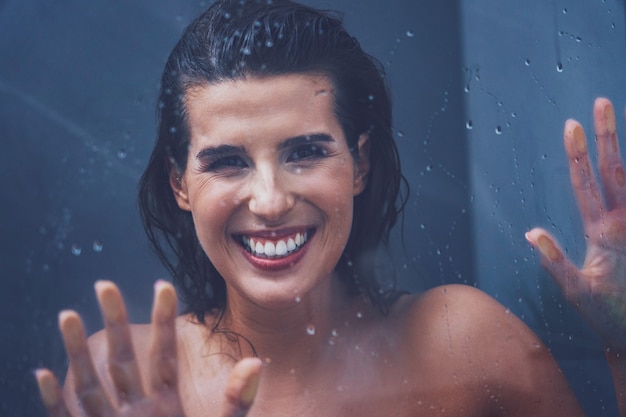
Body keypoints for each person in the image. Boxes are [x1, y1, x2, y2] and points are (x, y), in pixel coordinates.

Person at [35, 1, 626, 416]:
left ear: (360, 164)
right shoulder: (126, 374)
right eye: (226, 162)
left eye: (305, 152)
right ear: (179, 183)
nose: (269, 201)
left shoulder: (461, 341)